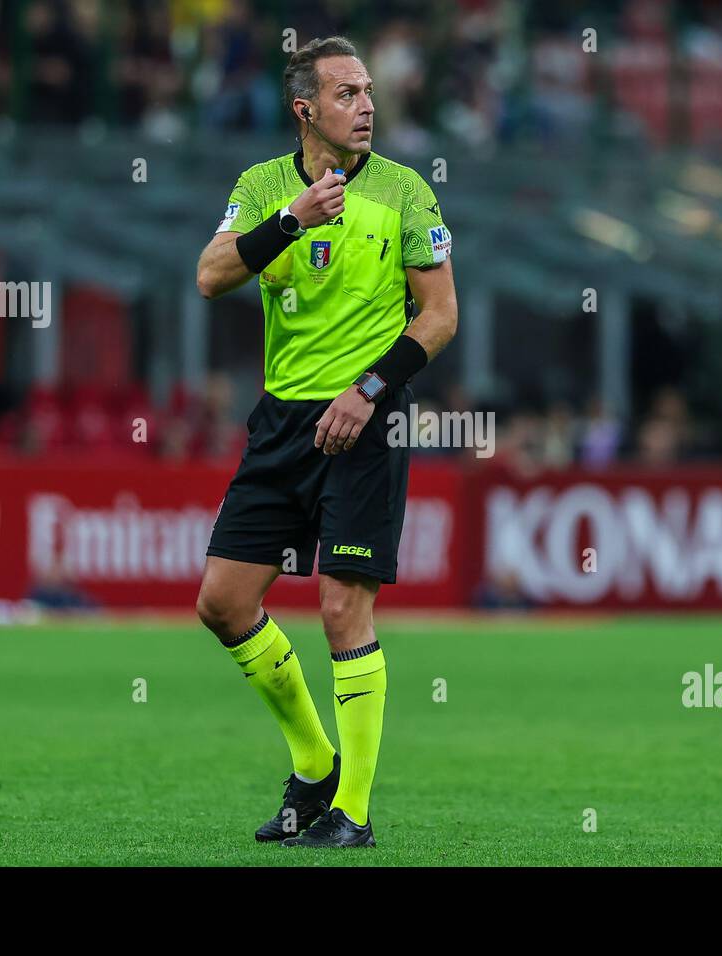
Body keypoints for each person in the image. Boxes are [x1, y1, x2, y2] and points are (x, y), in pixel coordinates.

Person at [193, 36, 458, 849]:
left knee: (344, 608)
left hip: (366, 423)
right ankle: (315, 768)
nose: (368, 105)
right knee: (224, 603)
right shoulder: (264, 187)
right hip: (281, 423)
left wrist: (369, 390)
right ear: (306, 109)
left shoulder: (407, 192)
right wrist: (290, 221)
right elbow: (210, 275)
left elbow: (440, 316)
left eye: (369, 91)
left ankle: (354, 813)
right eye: (347, 93)